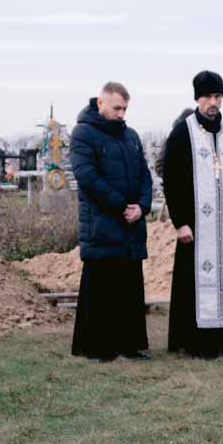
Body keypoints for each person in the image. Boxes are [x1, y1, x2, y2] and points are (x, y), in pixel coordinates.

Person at [160, 70, 223, 357]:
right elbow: (171, 179)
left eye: (217, 96)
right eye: (207, 97)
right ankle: (192, 342)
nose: (213, 102)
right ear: (197, 99)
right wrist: (180, 222)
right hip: (195, 228)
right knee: (192, 283)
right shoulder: (182, 133)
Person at [66, 83, 153, 360]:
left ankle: (129, 344)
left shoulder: (131, 136)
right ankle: (97, 346)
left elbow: (145, 176)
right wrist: (121, 206)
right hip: (102, 223)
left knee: (129, 287)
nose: (121, 114)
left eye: (125, 109)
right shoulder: (82, 134)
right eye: (116, 108)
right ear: (100, 103)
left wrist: (141, 206)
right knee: (102, 287)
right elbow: (88, 177)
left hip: (131, 223)